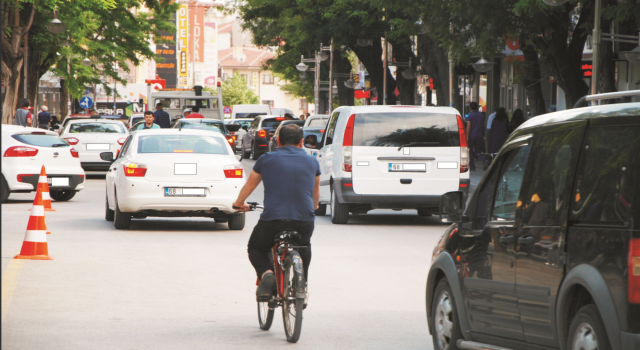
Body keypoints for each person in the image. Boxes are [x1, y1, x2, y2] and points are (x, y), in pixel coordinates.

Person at [233, 124, 320, 301]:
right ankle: (301, 285)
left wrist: (239, 204)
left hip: (273, 219)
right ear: (302, 142)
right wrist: (314, 207)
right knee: (304, 246)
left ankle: (266, 274)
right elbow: (315, 191)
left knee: (256, 248)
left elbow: (250, 186)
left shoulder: (267, 159)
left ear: (278, 141)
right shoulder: (312, 161)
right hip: (304, 220)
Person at [466, 101, 486, 171]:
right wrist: (483, 135)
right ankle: (484, 160)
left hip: (471, 136)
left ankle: (472, 167)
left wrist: (467, 136)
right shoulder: (481, 116)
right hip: (479, 135)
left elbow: (468, 127)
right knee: (478, 151)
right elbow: (483, 126)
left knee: (470, 151)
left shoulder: (470, 116)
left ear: (470, 108)